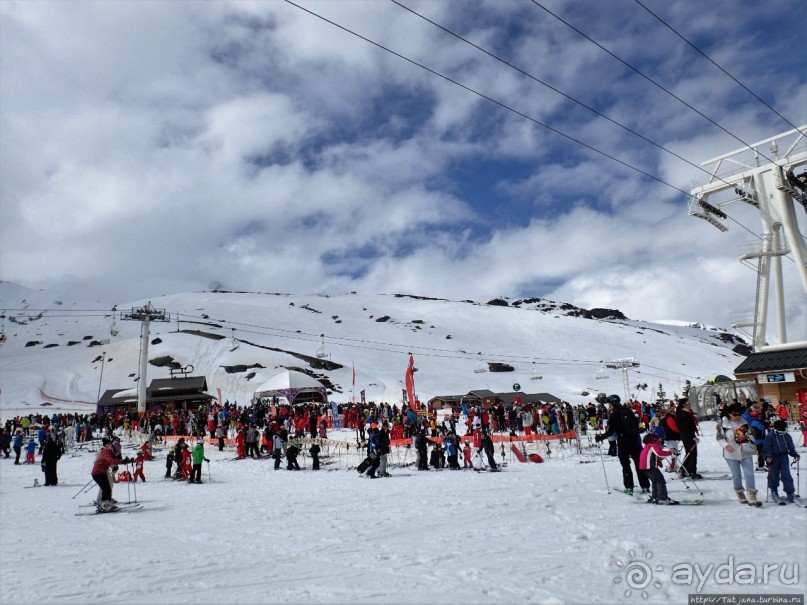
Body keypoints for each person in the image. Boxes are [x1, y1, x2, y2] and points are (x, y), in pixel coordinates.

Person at [596, 394, 650, 495]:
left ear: (613, 403)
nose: (609, 406)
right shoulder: (628, 411)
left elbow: (611, 432)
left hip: (623, 442)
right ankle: (645, 486)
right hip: (634, 441)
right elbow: (636, 425)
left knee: (625, 465)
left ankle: (629, 487)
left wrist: (600, 437)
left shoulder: (614, 414)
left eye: (609, 404)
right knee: (639, 465)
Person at [717, 403, 761, 506]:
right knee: (736, 475)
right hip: (730, 453)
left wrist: (746, 438)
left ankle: (752, 495)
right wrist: (726, 445)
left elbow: (753, 435)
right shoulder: (722, 424)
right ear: (729, 414)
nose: (737, 416)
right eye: (735, 414)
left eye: (739, 414)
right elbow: (719, 438)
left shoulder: (745, 423)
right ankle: (740, 492)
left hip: (745, 451)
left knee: (749, 473)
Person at [762, 420, 800, 503]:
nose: (783, 430)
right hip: (773, 457)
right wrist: (767, 456)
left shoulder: (786, 436)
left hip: (783, 456)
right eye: (781, 429)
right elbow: (766, 447)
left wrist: (794, 454)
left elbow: (790, 446)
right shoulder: (770, 436)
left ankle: (790, 492)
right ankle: (774, 491)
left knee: (786, 474)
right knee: (774, 475)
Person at [639, 428, 679, 505]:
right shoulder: (653, 443)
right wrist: (670, 452)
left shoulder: (650, 443)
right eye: (661, 437)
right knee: (660, 480)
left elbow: (656, 455)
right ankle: (662, 498)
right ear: (657, 436)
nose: (662, 439)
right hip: (649, 466)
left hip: (646, 466)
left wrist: (668, 454)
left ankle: (656, 497)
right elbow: (659, 453)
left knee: (655, 481)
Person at [675, 399, 702, 480]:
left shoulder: (682, 413)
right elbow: (687, 427)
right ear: (683, 405)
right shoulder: (685, 414)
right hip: (688, 435)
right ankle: (692, 471)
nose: (690, 405)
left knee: (689, 452)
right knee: (692, 453)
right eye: (688, 403)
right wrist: (692, 436)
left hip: (685, 435)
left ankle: (684, 469)